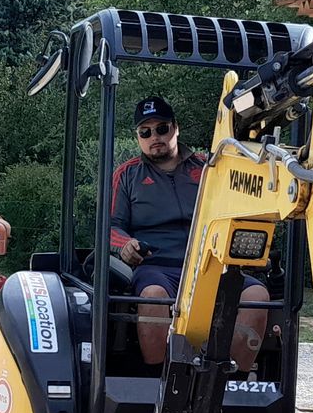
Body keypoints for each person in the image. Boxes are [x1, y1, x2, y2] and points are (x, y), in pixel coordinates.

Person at [109, 95, 270, 369]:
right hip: (156, 266)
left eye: (161, 129)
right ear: (138, 137)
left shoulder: (209, 168)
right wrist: (126, 244)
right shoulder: (127, 175)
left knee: (258, 297)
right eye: (145, 132)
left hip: (211, 263)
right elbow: (111, 227)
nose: (154, 137)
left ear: (175, 128)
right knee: (153, 296)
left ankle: (230, 381)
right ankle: (158, 379)